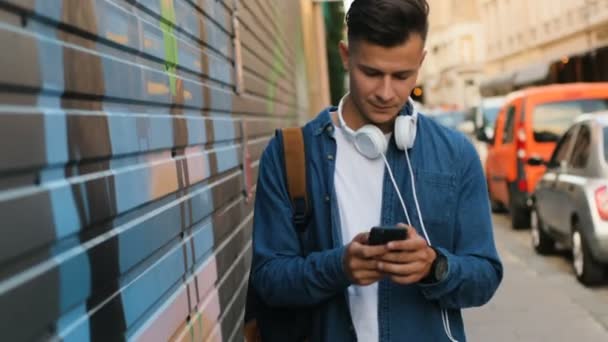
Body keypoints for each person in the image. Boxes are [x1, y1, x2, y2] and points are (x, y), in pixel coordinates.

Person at [248, 0, 503, 341]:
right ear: (345, 56)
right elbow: (268, 280)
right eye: (371, 73)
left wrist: (434, 266)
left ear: (421, 62)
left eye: (402, 76)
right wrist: (339, 267)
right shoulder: (288, 155)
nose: (385, 93)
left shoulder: (457, 155)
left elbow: (484, 276)